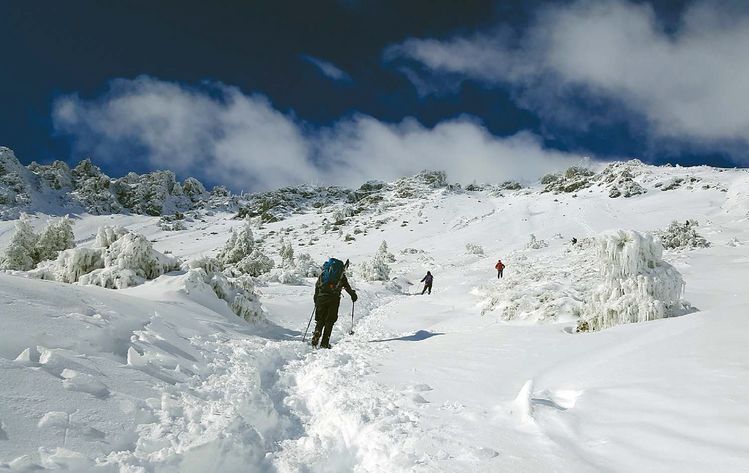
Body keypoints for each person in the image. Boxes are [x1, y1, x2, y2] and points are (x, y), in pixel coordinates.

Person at [311, 258, 357, 349]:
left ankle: (317, 332)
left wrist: (316, 300)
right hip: (334, 299)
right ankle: (324, 343)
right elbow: (347, 287)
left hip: (321, 298)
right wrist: (353, 295)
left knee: (320, 319)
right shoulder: (341, 276)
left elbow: (317, 287)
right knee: (330, 321)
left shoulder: (323, 274)